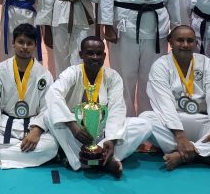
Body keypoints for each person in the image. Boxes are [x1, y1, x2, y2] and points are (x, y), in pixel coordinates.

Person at [100, 0, 183, 116]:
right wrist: (107, 24)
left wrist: (176, 26)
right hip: (124, 27)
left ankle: (149, 120)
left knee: (152, 77)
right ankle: (125, 121)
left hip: (157, 29)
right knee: (124, 76)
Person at [140, 25, 210, 171]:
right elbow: (164, 104)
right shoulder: (161, 65)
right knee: (145, 119)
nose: (185, 45)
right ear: (171, 42)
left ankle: (182, 154)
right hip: (173, 123)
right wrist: (180, 136)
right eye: (180, 40)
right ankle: (204, 154)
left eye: (190, 41)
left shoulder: (206, 63)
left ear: (196, 43)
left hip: (203, 121)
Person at [46, 36, 151, 177]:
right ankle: (92, 161)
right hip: (76, 132)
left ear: (104, 55)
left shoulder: (113, 77)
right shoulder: (72, 73)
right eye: (90, 53)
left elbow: (116, 109)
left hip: (101, 131)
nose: (95, 57)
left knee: (144, 125)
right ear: (81, 55)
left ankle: (97, 157)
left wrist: (112, 139)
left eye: (99, 53)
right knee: (49, 116)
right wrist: (72, 125)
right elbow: (53, 93)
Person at [0, 24, 58, 169]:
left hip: (32, 124)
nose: (24, 47)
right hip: (4, 123)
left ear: (35, 46)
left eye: (29, 43)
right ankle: (17, 154)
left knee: (52, 146)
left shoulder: (44, 75)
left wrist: (36, 131)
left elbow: (46, 109)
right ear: (13, 43)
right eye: (21, 42)